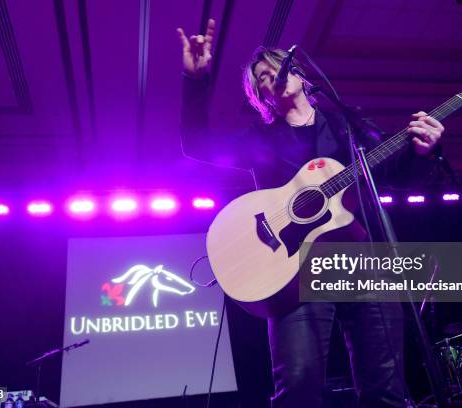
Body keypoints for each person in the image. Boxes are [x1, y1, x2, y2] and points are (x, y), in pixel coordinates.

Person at [177, 19, 445, 408]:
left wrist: (424, 152)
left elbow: (399, 177)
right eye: (263, 78)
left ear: (300, 76)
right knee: (298, 386)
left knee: (385, 385)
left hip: (363, 263)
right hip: (295, 271)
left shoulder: (348, 126)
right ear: (261, 98)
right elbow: (197, 143)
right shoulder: (259, 141)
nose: (274, 77)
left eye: (277, 68)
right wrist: (195, 80)